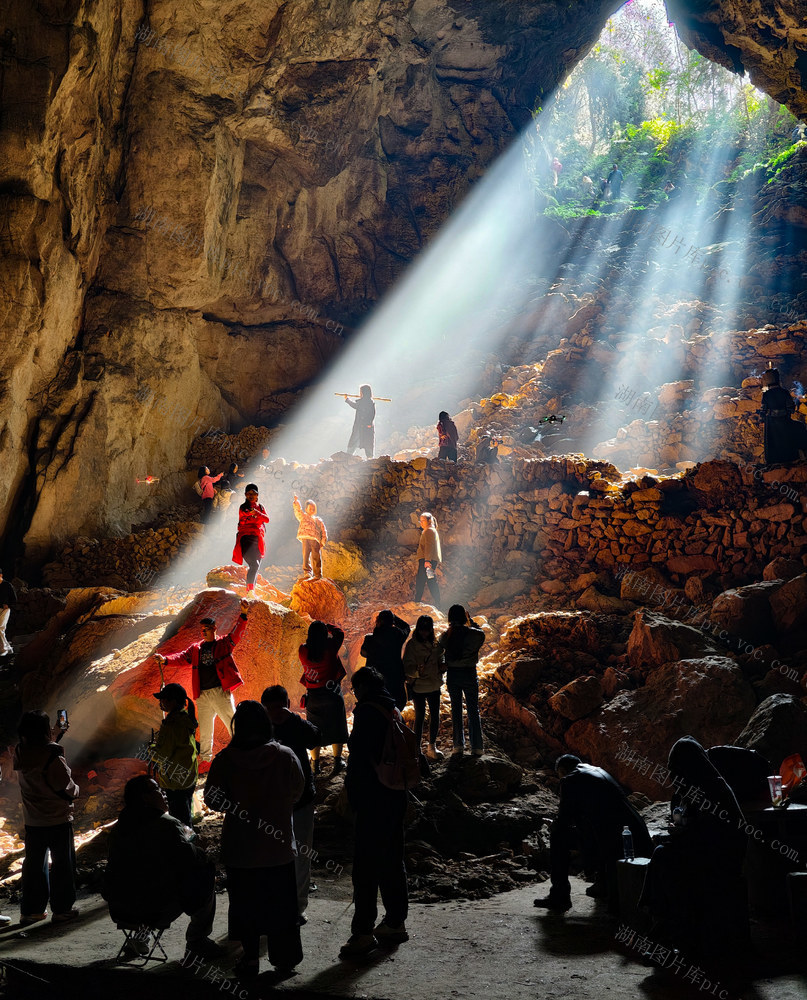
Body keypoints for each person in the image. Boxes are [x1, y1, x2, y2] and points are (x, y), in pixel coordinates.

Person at [204, 701, 304, 978]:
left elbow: (212, 799)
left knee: (246, 908)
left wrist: (236, 805)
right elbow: (297, 791)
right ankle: (285, 961)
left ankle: (249, 960)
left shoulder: (225, 761)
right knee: (282, 909)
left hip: (241, 849)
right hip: (278, 848)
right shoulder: (285, 756)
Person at [640, 736, 748, 955]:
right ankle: (662, 930)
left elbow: (711, 834)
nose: (672, 774)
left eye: (675, 768)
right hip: (706, 851)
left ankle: (666, 930)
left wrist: (680, 835)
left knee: (663, 858)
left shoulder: (712, 790)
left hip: (721, 858)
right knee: (663, 855)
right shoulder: (697, 786)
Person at [103, 775, 219, 959]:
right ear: (145, 797)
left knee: (145, 882)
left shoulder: (118, 829)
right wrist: (200, 849)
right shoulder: (167, 824)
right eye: (157, 789)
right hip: (156, 908)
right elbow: (190, 859)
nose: (164, 794)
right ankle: (197, 940)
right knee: (205, 874)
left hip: (120, 907)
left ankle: (140, 938)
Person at [340, 667, 409, 959]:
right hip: (396, 794)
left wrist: (352, 799)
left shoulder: (367, 713)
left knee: (365, 868)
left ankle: (363, 933)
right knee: (393, 859)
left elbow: (359, 759)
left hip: (373, 799)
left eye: (355, 690)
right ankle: (395, 922)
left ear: (363, 687)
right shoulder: (393, 709)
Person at [533, 754, 652, 913]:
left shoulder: (570, 779)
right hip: (634, 833)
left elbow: (564, 820)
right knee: (598, 830)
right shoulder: (597, 771)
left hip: (615, 839)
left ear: (562, 770)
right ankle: (602, 884)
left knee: (558, 837)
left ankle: (559, 896)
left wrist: (553, 825)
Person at [154, 600, 249, 768]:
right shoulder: (196, 648)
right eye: (202, 629)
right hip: (202, 695)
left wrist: (243, 615)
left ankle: (244, 752)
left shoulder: (223, 644)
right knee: (205, 730)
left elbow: (236, 634)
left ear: (214, 629)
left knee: (232, 722)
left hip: (220, 692)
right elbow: (182, 657)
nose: (204, 632)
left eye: (207, 629)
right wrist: (166, 660)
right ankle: (205, 761)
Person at [261, 686, 321, 922]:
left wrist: (293, 719)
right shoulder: (261, 728)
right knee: (297, 855)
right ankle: (290, 907)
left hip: (286, 801)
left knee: (289, 854)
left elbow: (316, 738)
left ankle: (291, 907)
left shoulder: (290, 724)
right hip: (287, 801)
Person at [13, 711, 79, 925]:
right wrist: (77, 790)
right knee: (62, 865)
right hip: (57, 819)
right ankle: (61, 909)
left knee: (34, 866)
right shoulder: (53, 753)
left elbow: (38, 755)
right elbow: (65, 786)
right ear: (44, 729)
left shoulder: (20, 751)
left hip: (33, 820)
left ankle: (31, 911)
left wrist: (55, 736)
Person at [298, 621, 348, 776]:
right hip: (332, 694)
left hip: (313, 696)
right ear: (324, 635)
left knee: (314, 729)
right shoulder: (331, 647)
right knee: (337, 726)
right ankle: (337, 761)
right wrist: (327, 625)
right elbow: (340, 633)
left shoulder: (303, 650)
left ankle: (315, 764)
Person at [437, 606, 485, 756]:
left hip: (453, 675)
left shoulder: (445, 636)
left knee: (456, 709)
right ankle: (477, 747)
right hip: (469, 673)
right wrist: (471, 622)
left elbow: (439, 652)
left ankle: (458, 745)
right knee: (473, 709)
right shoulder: (475, 635)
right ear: (464, 618)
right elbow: (481, 633)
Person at [150, 683, 198, 827]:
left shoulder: (172, 724)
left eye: (163, 699)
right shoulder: (185, 719)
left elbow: (162, 755)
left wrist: (151, 748)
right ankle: (189, 841)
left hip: (175, 781)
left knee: (179, 820)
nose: (161, 702)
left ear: (174, 701)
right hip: (188, 776)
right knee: (185, 813)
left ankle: (185, 846)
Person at [402, 615, 444, 760]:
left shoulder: (435, 643)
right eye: (422, 630)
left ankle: (431, 747)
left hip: (434, 684)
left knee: (435, 716)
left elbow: (441, 657)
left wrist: (441, 666)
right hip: (419, 686)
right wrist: (417, 671)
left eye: (427, 630)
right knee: (419, 717)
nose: (424, 633)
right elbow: (407, 666)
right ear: (418, 629)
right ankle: (417, 749)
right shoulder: (412, 645)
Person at [360, 611, 410, 711]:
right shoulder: (398, 636)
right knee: (396, 706)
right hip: (395, 679)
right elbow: (406, 627)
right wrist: (393, 617)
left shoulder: (369, 639)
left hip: (376, 681)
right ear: (392, 622)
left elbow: (363, 653)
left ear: (378, 621)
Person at [759, 365, 807, 464]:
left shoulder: (766, 394)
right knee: (800, 427)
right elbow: (791, 409)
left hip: (771, 426)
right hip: (785, 423)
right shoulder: (784, 392)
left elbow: (763, 411)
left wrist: (764, 418)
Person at [232, 484, 269, 592]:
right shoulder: (243, 507)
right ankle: (249, 592)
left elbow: (267, 519)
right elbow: (245, 516)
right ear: (245, 495)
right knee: (254, 565)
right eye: (249, 494)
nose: (251, 496)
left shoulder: (260, 507)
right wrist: (255, 516)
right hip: (246, 538)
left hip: (258, 539)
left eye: (253, 494)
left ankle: (251, 591)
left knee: (256, 567)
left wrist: (257, 513)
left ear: (257, 495)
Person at [292, 495, 328, 580]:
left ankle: (318, 574)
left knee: (316, 556)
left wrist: (323, 541)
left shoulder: (318, 520)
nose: (311, 510)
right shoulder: (303, 516)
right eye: (309, 508)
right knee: (306, 555)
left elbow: (323, 531)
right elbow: (298, 511)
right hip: (305, 538)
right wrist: (296, 503)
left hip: (315, 539)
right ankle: (307, 572)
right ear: (306, 509)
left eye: (313, 509)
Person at [414, 512, 442, 608]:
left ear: (429, 521)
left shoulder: (429, 531)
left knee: (422, 580)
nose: (421, 523)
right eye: (420, 521)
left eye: (423, 521)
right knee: (430, 580)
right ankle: (437, 603)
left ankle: (417, 602)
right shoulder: (429, 530)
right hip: (428, 559)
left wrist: (427, 561)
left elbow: (429, 546)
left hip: (426, 560)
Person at [346, 384, 376, 458]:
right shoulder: (370, 401)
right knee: (367, 441)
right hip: (365, 426)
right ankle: (369, 458)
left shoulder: (366, 402)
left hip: (363, 426)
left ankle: (348, 456)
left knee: (358, 440)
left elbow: (355, 406)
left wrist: (347, 399)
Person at [0, 567, 16, 659]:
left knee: (0, 628)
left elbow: (14, 599)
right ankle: (8, 649)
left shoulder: (7, 585)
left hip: (5, 610)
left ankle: (4, 650)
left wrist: (7, 604)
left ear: (1, 575)